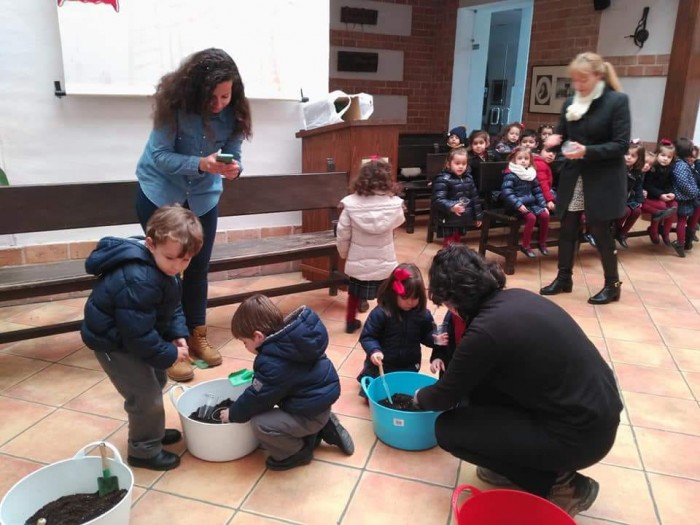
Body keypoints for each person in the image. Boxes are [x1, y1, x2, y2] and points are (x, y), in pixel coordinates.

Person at [414, 245, 622, 518]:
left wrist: (418, 397)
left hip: (580, 436)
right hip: (597, 414)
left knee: (449, 430)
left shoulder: (484, 331)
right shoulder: (516, 298)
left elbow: (444, 396)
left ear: (453, 301)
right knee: (476, 395)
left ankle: (563, 486)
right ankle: (511, 464)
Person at [134, 48, 252, 382]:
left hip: (202, 199)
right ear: (194, 91)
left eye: (225, 96)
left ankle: (196, 335)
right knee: (165, 270)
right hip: (160, 194)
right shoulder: (174, 107)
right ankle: (169, 347)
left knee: (197, 269)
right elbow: (159, 155)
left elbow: (236, 154)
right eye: (211, 98)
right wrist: (200, 163)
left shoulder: (235, 112)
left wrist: (233, 168)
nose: (218, 105)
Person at [81, 205, 204, 471]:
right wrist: (171, 354)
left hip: (133, 335)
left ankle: (152, 432)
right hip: (114, 344)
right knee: (145, 396)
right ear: (150, 243)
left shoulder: (165, 267)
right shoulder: (139, 278)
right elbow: (137, 336)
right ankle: (144, 451)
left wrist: (178, 334)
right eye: (171, 259)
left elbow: (172, 306)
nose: (178, 266)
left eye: (185, 260)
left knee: (157, 378)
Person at [220, 294, 354, 471]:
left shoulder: (272, 362)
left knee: (260, 423)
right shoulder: (295, 340)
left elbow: (258, 399)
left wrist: (233, 413)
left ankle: (297, 452)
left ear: (258, 336)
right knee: (279, 405)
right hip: (318, 403)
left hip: (309, 413)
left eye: (245, 342)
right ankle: (323, 425)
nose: (245, 346)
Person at [540, 52, 631, 305]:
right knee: (568, 226)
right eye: (575, 81)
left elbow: (621, 145)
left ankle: (612, 285)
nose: (578, 86)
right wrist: (554, 144)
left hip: (603, 178)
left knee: (600, 231)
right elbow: (563, 135)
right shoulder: (571, 101)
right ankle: (564, 278)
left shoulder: (617, 101)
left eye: (583, 80)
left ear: (598, 76)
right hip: (575, 175)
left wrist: (587, 151)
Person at [336, 159, 405, 334]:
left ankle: (350, 322)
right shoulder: (394, 204)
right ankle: (384, 324)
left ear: (362, 179)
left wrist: (343, 254)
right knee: (385, 295)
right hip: (384, 260)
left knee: (354, 293)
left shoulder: (351, 204)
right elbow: (397, 223)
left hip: (358, 260)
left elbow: (343, 233)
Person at [357, 263, 439, 391]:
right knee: (378, 394)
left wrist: (435, 339)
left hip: (409, 364)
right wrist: (374, 350)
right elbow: (368, 336)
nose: (410, 302)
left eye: (415, 298)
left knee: (405, 393)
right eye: (405, 297)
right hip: (383, 365)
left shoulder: (422, 314)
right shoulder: (381, 313)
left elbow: (426, 334)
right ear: (393, 293)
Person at [500, 146, 550, 258]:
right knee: (531, 218)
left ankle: (542, 243)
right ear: (514, 160)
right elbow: (507, 193)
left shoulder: (531, 174)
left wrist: (543, 205)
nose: (523, 161)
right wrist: (518, 204)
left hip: (531, 204)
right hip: (515, 206)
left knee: (545, 215)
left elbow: (537, 191)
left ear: (530, 161)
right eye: (520, 158)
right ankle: (525, 245)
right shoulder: (510, 174)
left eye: (526, 159)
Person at [431, 147, 483, 247]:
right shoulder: (443, 179)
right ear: (448, 164)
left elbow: (475, 199)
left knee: (457, 241)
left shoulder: (468, 178)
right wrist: (452, 206)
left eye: (464, 164)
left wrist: (478, 217)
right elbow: (437, 199)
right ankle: (447, 261)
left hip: (462, 217)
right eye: (457, 163)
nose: (461, 166)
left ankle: (455, 260)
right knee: (449, 243)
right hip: (448, 217)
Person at [642, 140, 679, 246]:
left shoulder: (669, 168)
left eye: (669, 157)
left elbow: (669, 184)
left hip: (663, 195)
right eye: (663, 155)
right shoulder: (651, 167)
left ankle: (665, 232)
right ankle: (653, 230)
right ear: (657, 154)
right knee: (661, 205)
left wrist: (671, 193)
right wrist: (660, 195)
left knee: (674, 205)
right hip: (651, 196)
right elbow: (647, 185)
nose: (665, 159)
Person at [670, 137, 700, 255]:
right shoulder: (681, 165)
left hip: (686, 196)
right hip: (684, 197)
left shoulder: (681, 164)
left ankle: (682, 242)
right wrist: (695, 192)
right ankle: (681, 243)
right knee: (682, 220)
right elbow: (684, 184)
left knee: (683, 220)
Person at [615, 140, 646, 248]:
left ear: (638, 159)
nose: (629, 157)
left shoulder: (637, 171)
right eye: (627, 154)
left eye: (633, 156)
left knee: (637, 210)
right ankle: (616, 228)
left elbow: (638, 187)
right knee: (626, 211)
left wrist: (639, 200)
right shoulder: (618, 168)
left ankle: (623, 233)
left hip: (628, 198)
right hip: (616, 198)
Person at [533, 147, 557, 212]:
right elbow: (543, 184)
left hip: (543, 193)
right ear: (540, 152)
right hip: (540, 195)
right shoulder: (540, 164)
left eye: (554, 153)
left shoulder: (543, 163)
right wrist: (549, 200)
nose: (551, 154)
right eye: (548, 151)